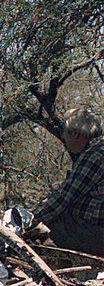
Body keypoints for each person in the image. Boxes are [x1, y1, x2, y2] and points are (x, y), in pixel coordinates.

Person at [31, 108, 104, 256]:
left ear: (76, 134)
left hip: (97, 234)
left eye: (64, 131)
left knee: (46, 228)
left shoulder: (95, 155)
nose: (63, 136)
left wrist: (29, 221)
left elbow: (63, 199)